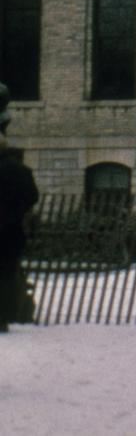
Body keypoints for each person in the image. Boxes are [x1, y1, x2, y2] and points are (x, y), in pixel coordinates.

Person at [0, 128, 39, 333]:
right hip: (12, 231)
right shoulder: (21, 171)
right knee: (7, 274)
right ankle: (4, 317)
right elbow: (33, 196)